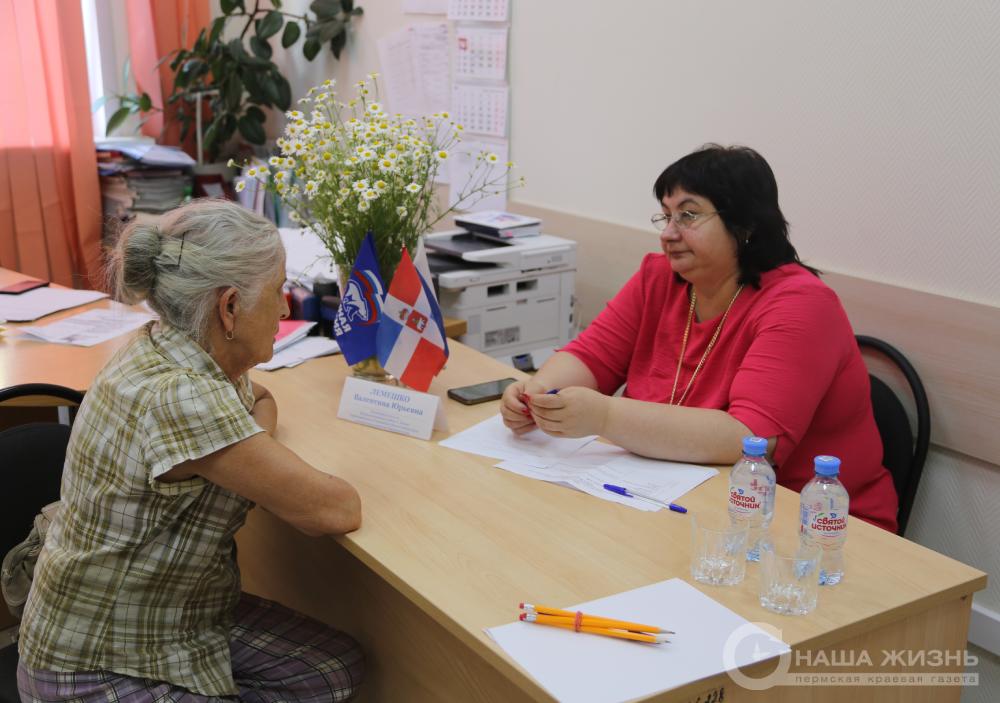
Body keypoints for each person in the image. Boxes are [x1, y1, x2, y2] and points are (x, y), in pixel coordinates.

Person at [18, 200, 365, 701]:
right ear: (229, 307)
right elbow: (335, 509)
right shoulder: (181, 395)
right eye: (276, 291)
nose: (287, 308)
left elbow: (259, 398)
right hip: (96, 660)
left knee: (334, 669)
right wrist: (252, 459)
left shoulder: (174, 347)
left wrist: (249, 456)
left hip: (174, 609)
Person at [500, 145, 898, 532]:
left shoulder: (802, 304)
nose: (668, 234)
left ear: (745, 226)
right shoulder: (658, 277)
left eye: (688, 216)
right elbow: (592, 357)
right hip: (681, 498)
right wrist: (536, 395)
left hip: (808, 524)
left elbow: (747, 438)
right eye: (665, 217)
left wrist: (603, 416)